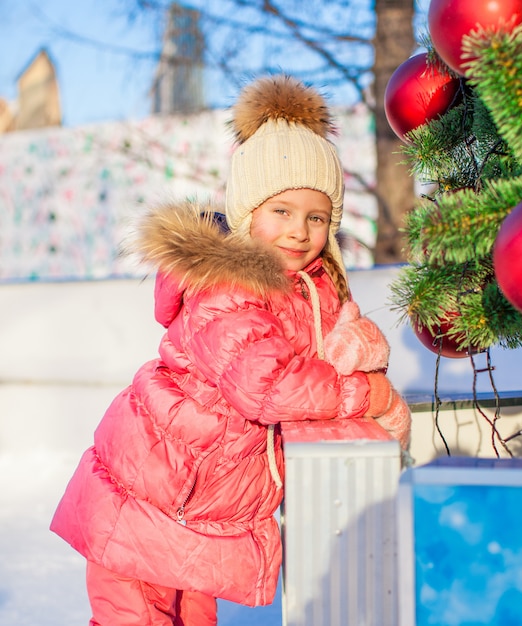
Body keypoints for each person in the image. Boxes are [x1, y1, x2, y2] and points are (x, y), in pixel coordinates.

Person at [50, 74, 411, 625]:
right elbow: (267, 387)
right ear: (246, 214)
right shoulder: (230, 289)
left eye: (317, 217)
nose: (299, 231)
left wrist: (363, 371)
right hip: (153, 489)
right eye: (281, 212)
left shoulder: (309, 287)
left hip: (199, 502)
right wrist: (363, 392)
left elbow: (337, 348)